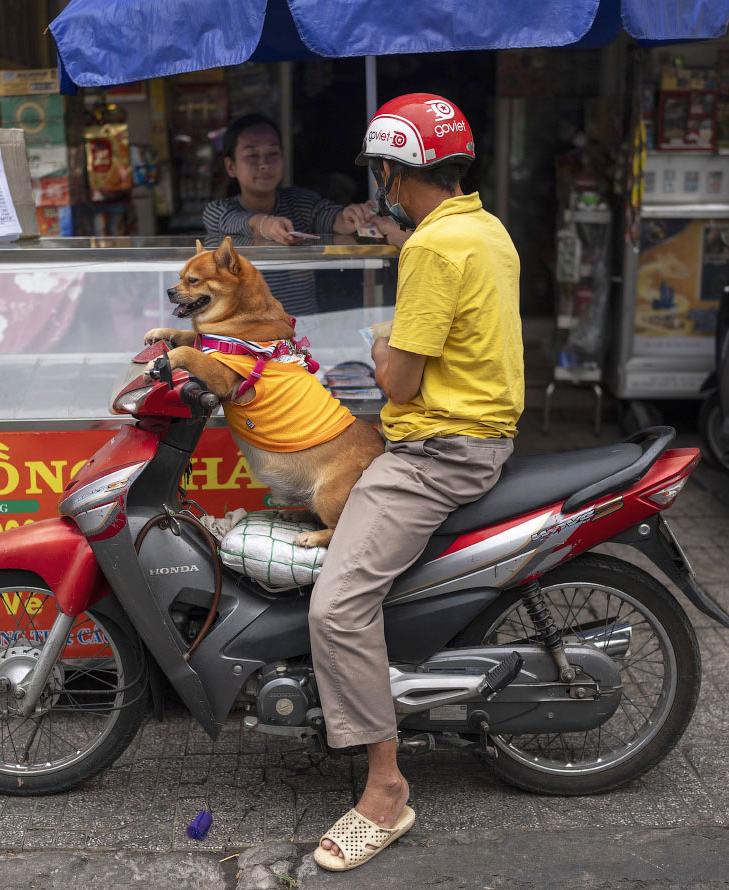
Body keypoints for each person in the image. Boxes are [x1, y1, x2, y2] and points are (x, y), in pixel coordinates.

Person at [308, 94, 524, 872]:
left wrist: (376, 346)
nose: (381, 187)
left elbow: (398, 384)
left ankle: (385, 786)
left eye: (382, 174)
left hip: (437, 452)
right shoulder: (482, 229)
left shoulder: (431, 251)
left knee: (336, 605)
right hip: (477, 435)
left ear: (395, 174)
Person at [202, 113, 386, 316]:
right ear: (231, 166)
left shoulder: (300, 202)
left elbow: (330, 217)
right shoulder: (218, 211)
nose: (264, 163)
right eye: (252, 155)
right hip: (248, 333)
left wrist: (350, 216)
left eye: (273, 153)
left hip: (301, 331)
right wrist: (264, 224)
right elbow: (232, 221)